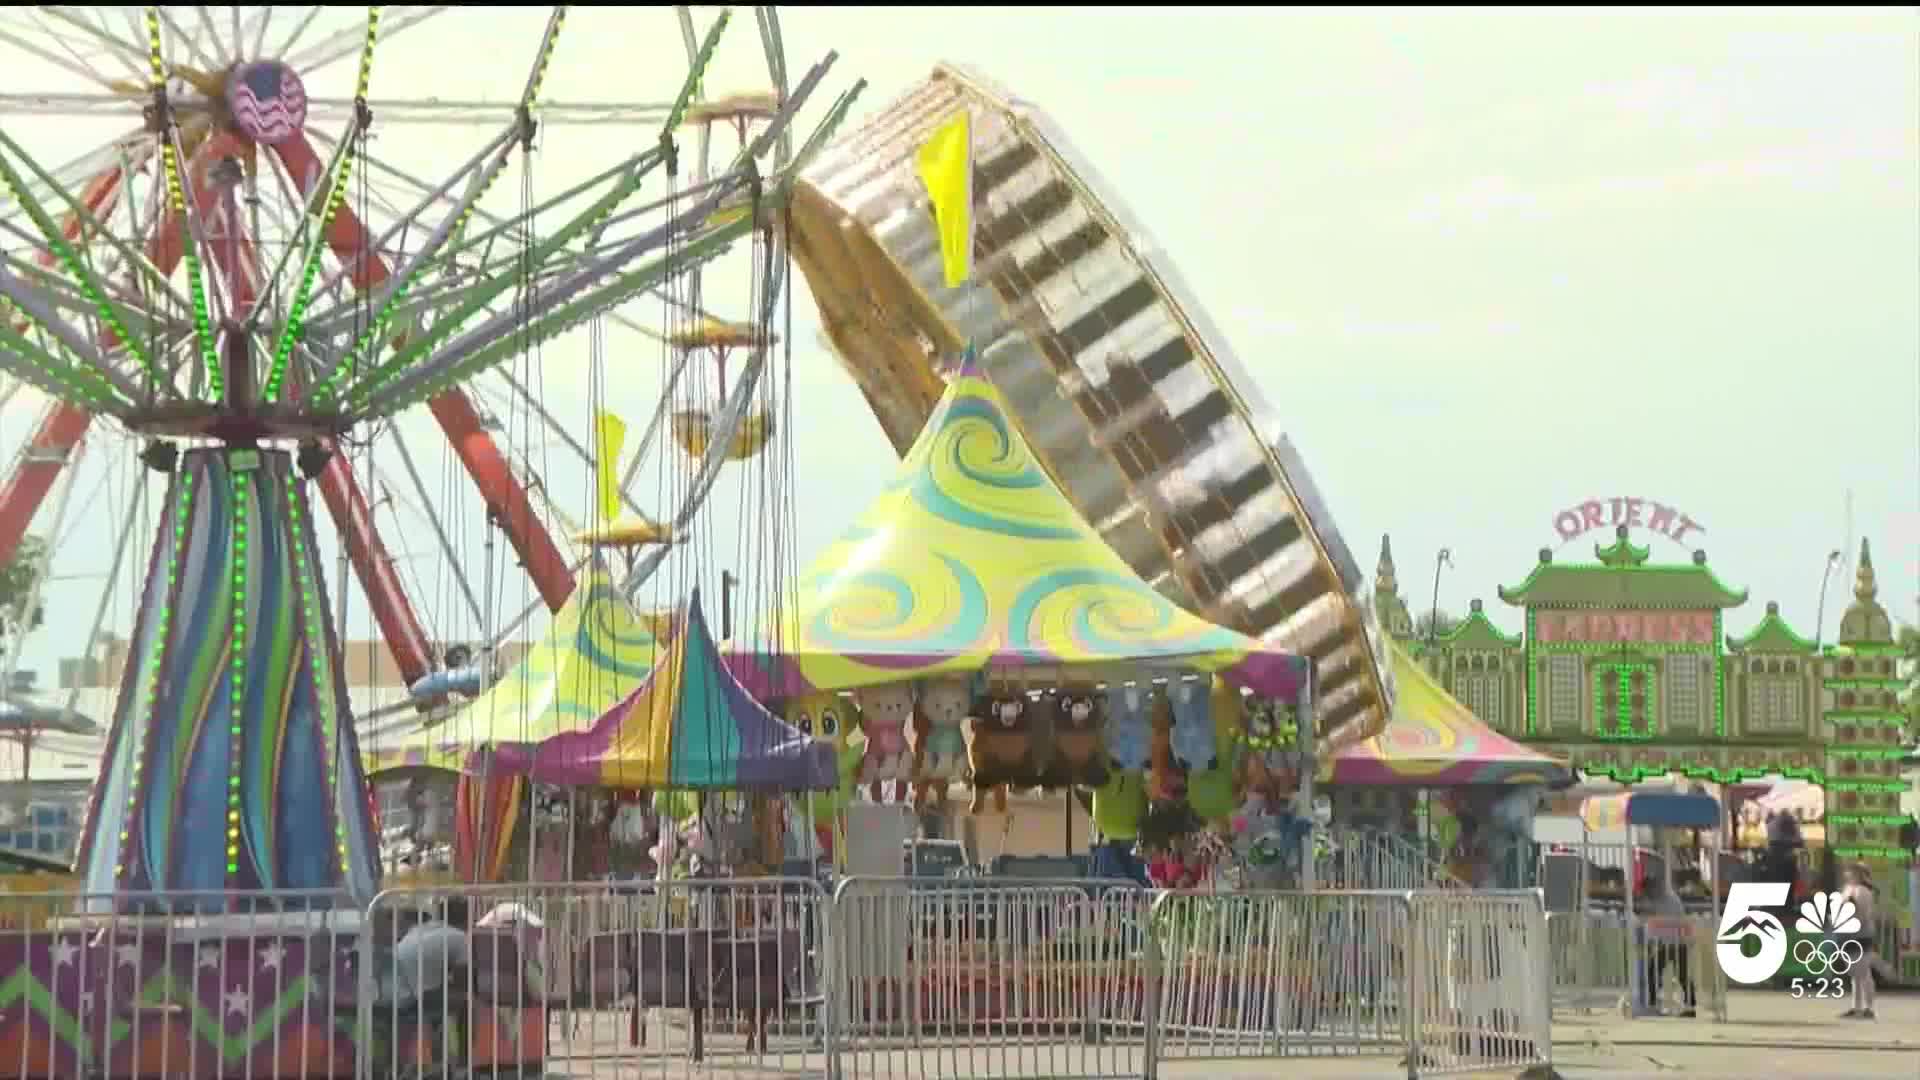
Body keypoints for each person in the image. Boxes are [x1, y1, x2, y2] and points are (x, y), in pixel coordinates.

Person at [1644, 877, 1697, 1017]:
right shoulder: (1665, 898)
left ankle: (1655, 1003)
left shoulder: (1666, 900)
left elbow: (1665, 921)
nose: (1648, 894)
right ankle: (1689, 1006)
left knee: (1654, 970)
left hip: (1674, 942)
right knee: (1680, 975)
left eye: (1649, 891)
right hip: (1675, 942)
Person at [1840, 862, 1877, 1020]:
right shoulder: (1848, 889)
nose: (1847, 874)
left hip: (1861, 934)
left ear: (1859, 874)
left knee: (1863, 973)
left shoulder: (1863, 891)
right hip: (1849, 934)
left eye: (1851, 872)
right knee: (1854, 973)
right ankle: (1856, 1007)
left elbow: (1863, 914)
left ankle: (1869, 1008)